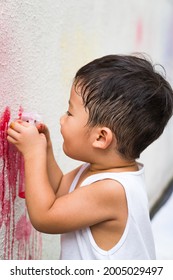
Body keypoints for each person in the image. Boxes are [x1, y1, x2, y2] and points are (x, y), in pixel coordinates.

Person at [7, 54, 173, 260]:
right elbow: (59, 192)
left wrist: (33, 153)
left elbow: (45, 217)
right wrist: (46, 149)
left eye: (69, 113)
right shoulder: (99, 168)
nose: (61, 119)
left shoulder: (112, 190)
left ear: (101, 137)